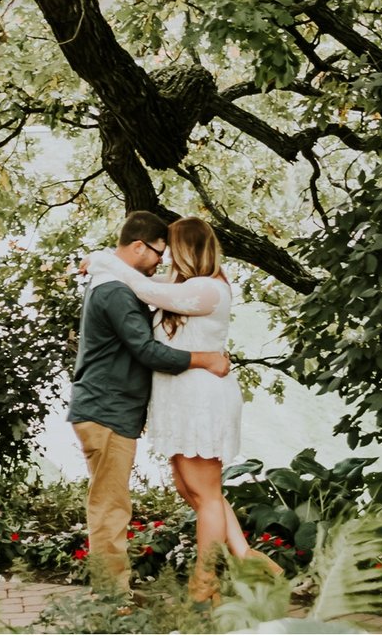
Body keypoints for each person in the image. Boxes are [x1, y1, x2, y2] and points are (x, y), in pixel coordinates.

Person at [88, 215, 262, 601]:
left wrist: (102, 260)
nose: (165, 258)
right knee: (192, 489)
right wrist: (106, 260)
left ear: (186, 249)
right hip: (181, 400)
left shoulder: (208, 289)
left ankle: (206, 585)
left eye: (171, 249)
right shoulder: (182, 285)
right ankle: (244, 554)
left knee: (206, 492)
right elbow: (146, 285)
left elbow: (143, 290)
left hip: (202, 399)